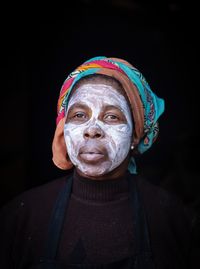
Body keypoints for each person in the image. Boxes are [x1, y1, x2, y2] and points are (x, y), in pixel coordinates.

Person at [0, 56, 196, 268]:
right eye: (79, 115)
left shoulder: (173, 220)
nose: (92, 130)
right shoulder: (22, 217)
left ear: (135, 135)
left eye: (112, 116)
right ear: (63, 129)